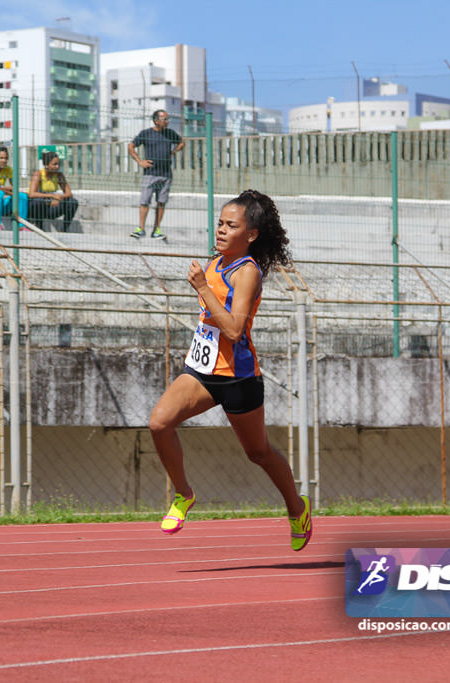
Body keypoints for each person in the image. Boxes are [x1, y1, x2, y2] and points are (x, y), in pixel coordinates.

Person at [148, 189, 312, 551]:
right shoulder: (215, 261)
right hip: (202, 370)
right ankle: (184, 494)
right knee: (159, 423)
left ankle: (297, 508)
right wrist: (205, 286)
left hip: (238, 377)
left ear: (251, 234)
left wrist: (203, 289)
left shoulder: (247, 272)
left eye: (230, 225)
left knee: (258, 453)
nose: (220, 230)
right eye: (219, 223)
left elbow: (235, 329)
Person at [128, 109, 184, 240]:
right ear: (156, 120)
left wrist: (173, 152)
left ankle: (156, 230)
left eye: (167, 119)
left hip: (165, 174)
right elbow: (131, 146)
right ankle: (141, 229)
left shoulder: (170, 133)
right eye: (164, 119)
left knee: (161, 202)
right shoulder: (146, 133)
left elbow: (181, 142)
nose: (167, 121)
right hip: (150, 173)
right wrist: (139, 161)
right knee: (145, 201)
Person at [27, 151, 78, 232]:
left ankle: (64, 229)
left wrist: (58, 198)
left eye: (58, 164)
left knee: (73, 202)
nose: (57, 166)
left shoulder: (59, 176)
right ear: (46, 165)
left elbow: (69, 193)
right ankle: (39, 226)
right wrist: (52, 196)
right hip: (38, 209)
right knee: (38, 201)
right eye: (54, 164)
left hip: (51, 208)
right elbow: (31, 194)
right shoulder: (38, 174)